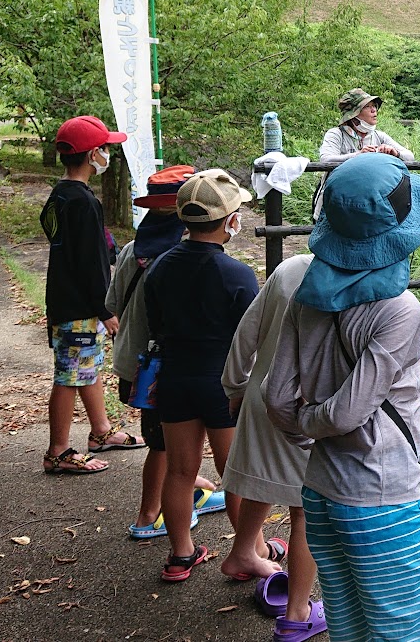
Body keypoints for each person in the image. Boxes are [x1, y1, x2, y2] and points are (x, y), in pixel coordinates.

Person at [264, 153, 420, 642]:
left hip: (319, 490)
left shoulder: (306, 299)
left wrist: (302, 429)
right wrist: (315, 423)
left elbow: (276, 396)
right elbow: (347, 412)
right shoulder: (401, 312)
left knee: (350, 624)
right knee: (415, 628)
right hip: (382, 492)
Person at [144, 169, 260, 582]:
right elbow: (254, 335)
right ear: (231, 220)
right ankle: (253, 551)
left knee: (179, 470)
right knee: (235, 473)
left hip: (175, 378)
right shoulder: (237, 275)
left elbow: (154, 324)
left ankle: (180, 554)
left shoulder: (160, 266)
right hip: (223, 384)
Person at [107, 165, 227, 539]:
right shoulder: (181, 256)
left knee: (171, 441)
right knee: (162, 445)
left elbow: (113, 304)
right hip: (166, 368)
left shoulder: (132, 250)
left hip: (135, 362)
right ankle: (148, 515)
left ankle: (186, 493)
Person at [221, 253, 324, 641]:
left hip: (260, 393)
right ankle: (298, 613)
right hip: (307, 407)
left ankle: (242, 553)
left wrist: (235, 386)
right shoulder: (363, 280)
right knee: (307, 508)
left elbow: (247, 333)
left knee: (263, 477)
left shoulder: (291, 268)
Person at [39, 115, 143, 475]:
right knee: (70, 374)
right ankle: (58, 451)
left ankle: (101, 431)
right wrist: (105, 308)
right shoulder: (83, 202)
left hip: (64, 297)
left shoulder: (60, 195)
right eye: (104, 149)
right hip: (80, 306)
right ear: (91, 155)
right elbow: (90, 262)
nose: (107, 155)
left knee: (86, 366)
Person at [318, 88, 412, 162]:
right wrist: (358, 155)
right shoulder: (336, 134)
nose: (374, 110)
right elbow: (326, 160)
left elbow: (410, 157)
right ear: (353, 114)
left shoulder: (379, 136)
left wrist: (395, 153)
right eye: (367, 106)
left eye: (374, 106)